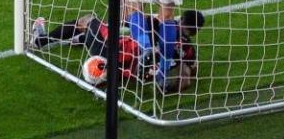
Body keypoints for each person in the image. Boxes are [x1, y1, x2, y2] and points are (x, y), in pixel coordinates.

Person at [31, 9, 205, 92]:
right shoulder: (189, 51)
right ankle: (80, 40)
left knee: (89, 19)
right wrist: (166, 88)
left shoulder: (164, 26)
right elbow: (187, 80)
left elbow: (132, 20)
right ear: (196, 32)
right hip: (128, 72)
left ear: (180, 18)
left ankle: (39, 40)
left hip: (110, 50)